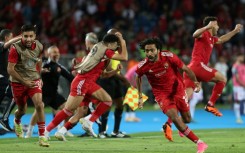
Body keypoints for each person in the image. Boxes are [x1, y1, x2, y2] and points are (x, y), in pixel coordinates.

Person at [45, 32, 128, 139]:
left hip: (89, 83)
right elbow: (124, 57)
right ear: (110, 44)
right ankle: (46, 131)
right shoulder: (105, 51)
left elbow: (103, 75)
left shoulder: (101, 54)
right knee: (68, 110)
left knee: (105, 101)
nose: (117, 47)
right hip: (82, 82)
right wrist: (123, 42)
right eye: (116, 45)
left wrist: (116, 70)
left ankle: (65, 130)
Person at [136, 37, 208, 153]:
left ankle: (182, 128)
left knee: (187, 119)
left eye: (152, 50)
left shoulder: (169, 57)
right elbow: (138, 77)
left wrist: (195, 82)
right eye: (147, 51)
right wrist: (139, 96)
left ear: (158, 50)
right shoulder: (143, 65)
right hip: (161, 95)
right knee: (175, 118)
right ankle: (200, 143)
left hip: (178, 89)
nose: (149, 53)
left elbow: (186, 69)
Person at [184, 16, 243, 117]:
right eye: (217, 25)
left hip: (192, 69)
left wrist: (235, 31)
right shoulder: (204, 33)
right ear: (212, 25)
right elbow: (195, 34)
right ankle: (210, 104)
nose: (218, 27)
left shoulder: (211, 38)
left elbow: (221, 39)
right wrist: (207, 26)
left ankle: (172, 121)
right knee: (222, 79)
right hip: (198, 65)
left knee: (185, 98)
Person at [7, 24, 49, 147]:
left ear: (35, 36)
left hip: (33, 80)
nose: (28, 39)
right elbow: (10, 69)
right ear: (22, 36)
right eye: (26, 36)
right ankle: (17, 121)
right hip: (17, 83)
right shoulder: (15, 48)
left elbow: (39, 60)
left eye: (31, 36)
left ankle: (42, 137)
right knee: (22, 110)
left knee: (40, 105)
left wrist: (39, 76)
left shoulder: (39, 46)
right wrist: (24, 81)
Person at [25, 45, 74, 138]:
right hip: (42, 94)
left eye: (58, 52)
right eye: (54, 52)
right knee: (39, 109)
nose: (57, 54)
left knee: (69, 107)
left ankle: (64, 129)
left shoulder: (59, 67)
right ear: (48, 54)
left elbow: (71, 78)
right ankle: (29, 131)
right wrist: (41, 71)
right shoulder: (44, 63)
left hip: (54, 94)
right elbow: (35, 70)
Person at [0, 29, 21, 132]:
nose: (12, 39)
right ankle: (4, 118)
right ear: (6, 38)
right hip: (1, 79)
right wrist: (21, 36)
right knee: (14, 95)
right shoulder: (1, 45)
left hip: (3, 79)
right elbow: (6, 45)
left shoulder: (8, 50)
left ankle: (4, 118)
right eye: (11, 37)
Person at [231, 54, 245, 124]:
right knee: (237, 101)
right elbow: (237, 78)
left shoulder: (243, 65)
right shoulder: (235, 67)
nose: (243, 58)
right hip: (238, 87)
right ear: (238, 57)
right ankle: (238, 117)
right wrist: (243, 85)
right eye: (242, 57)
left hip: (243, 86)